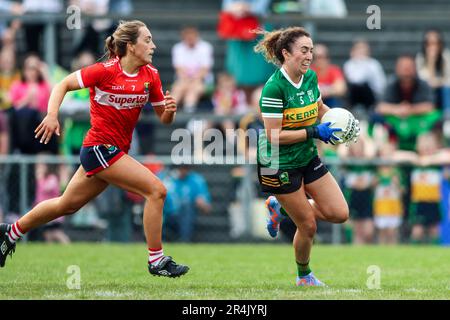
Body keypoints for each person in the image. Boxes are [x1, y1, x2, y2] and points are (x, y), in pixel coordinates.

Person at [0, 20, 189, 277]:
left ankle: (9, 232)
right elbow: (62, 84)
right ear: (131, 46)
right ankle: (156, 260)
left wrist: (169, 111)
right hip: (99, 148)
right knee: (156, 190)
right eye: (147, 40)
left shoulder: (151, 76)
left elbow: (163, 119)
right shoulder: (104, 71)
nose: (153, 45)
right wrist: (52, 115)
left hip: (112, 152)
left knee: (66, 205)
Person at [253, 27, 359, 286]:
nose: (309, 55)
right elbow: (274, 135)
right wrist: (315, 131)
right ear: (286, 53)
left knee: (339, 213)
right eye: (304, 50)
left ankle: (280, 207)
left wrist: (342, 122)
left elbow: (320, 108)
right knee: (309, 225)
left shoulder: (310, 78)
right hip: (277, 164)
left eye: (311, 50)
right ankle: (304, 276)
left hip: (306, 156)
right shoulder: (274, 88)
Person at [171, 26, 214, 113]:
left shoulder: (206, 47)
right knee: (178, 90)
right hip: (183, 79)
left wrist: (195, 79)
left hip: (202, 80)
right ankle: (168, 111)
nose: (190, 39)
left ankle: (188, 111)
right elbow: (178, 68)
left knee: (193, 90)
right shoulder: (177, 48)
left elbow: (205, 69)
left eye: (192, 36)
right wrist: (187, 80)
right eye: (188, 37)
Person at [343, 40, 386, 114]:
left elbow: (381, 84)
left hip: (371, 95)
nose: (361, 52)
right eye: (358, 49)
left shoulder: (374, 64)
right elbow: (354, 79)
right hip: (354, 95)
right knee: (356, 86)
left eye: (363, 50)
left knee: (364, 85)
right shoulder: (349, 64)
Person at [415, 30, 450, 111]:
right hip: (429, 91)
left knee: (446, 90)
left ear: (440, 44)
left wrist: (438, 83)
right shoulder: (420, 58)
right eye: (429, 44)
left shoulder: (446, 56)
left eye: (435, 43)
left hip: (444, 91)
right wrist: (431, 62)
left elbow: (448, 81)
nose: (433, 47)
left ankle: (448, 116)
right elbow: (425, 82)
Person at [310, 44, 347, 108]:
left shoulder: (334, 70)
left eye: (323, 56)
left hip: (331, 103)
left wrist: (321, 91)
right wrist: (330, 89)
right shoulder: (309, 72)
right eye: (317, 57)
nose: (320, 60)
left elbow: (341, 89)